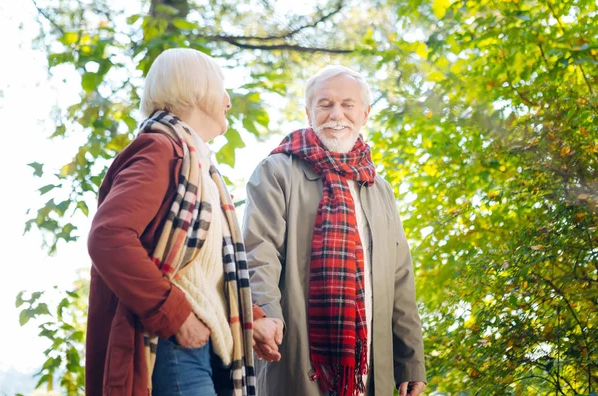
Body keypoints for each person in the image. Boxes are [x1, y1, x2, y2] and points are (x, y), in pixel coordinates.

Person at [243, 65, 426, 396]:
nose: (336, 114)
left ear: (365, 114)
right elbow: (259, 253)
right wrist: (265, 316)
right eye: (325, 104)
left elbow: (400, 279)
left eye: (347, 104)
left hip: (372, 371)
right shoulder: (276, 172)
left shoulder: (379, 189)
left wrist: (411, 360)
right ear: (309, 113)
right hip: (297, 361)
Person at [86, 48, 258, 396]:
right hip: (172, 345)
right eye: (221, 87)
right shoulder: (161, 150)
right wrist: (175, 316)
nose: (227, 100)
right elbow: (109, 237)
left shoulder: (200, 168)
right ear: (198, 88)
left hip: (203, 345)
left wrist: (255, 319)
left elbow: (204, 274)